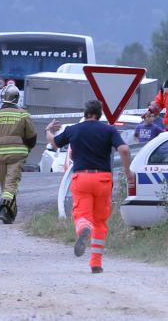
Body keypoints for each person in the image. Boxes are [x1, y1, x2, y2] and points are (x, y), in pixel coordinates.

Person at [45, 100, 134, 274]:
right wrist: (127, 171)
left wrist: (48, 130)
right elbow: (123, 149)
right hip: (103, 179)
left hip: (82, 177)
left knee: (81, 215)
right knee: (100, 221)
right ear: (100, 114)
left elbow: (54, 143)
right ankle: (96, 263)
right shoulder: (109, 130)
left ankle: (84, 227)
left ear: (84, 113)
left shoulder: (73, 130)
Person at [0, 83, 37, 224]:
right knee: (11, 185)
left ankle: (8, 214)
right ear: (17, 98)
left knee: (5, 185)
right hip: (17, 155)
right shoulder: (24, 115)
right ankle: (5, 206)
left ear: (2, 98)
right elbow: (32, 137)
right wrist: (28, 148)